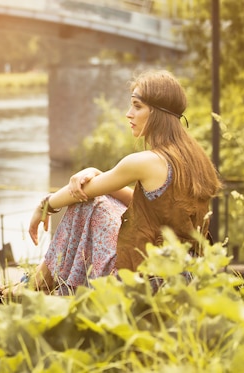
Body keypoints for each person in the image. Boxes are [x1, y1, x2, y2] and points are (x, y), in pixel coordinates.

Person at [21, 69, 222, 296]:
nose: (129, 114)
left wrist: (44, 206)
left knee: (89, 204)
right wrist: (97, 172)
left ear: (157, 113)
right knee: (101, 201)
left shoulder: (145, 161)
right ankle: (38, 282)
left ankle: (35, 284)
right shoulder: (193, 156)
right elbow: (146, 205)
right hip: (186, 274)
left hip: (149, 280)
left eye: (137, 106)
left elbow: (81, 192)